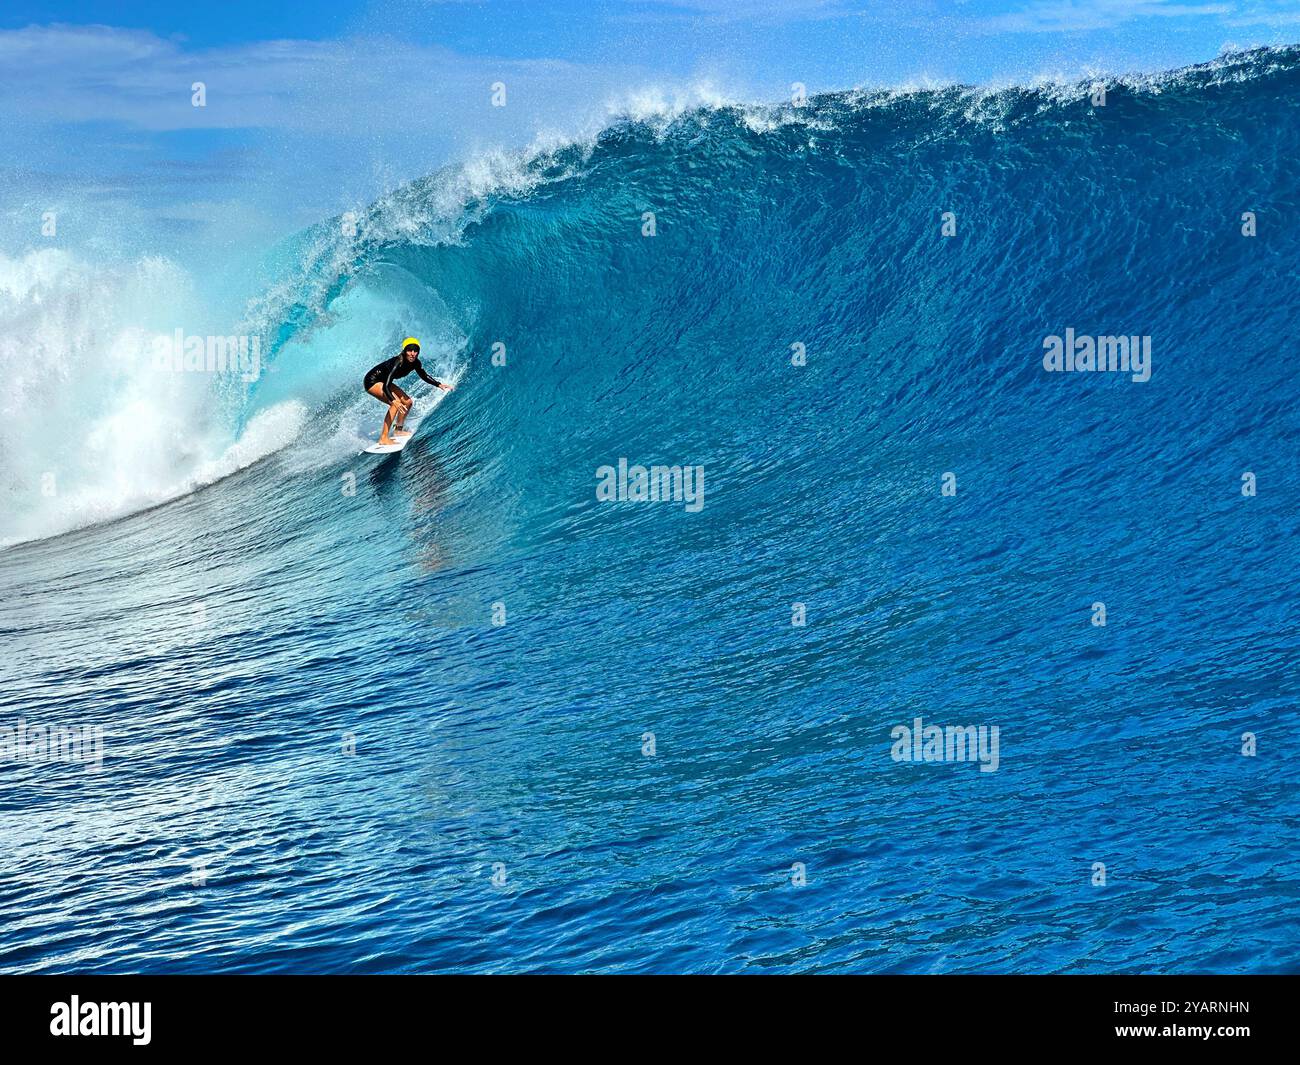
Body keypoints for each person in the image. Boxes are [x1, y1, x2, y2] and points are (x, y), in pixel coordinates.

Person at [363, 338, 452, 446]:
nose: (412, 354)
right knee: (395, 404)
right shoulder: (397, 362)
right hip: (372, 381)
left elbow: (423, 375)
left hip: (383, 381)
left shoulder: (415, 363)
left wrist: (439, 384)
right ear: (405, 351)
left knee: (408, 402)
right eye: (410, 350)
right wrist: (393, 401)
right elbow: (386, 386)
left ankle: (398, 430)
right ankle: (383, 438)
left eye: (415, 351)